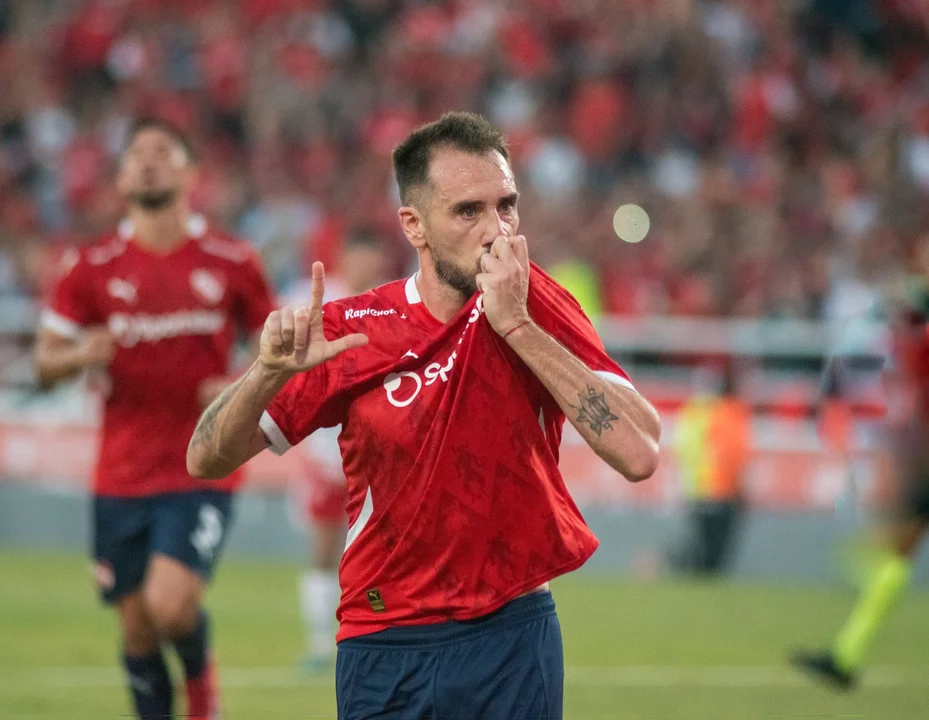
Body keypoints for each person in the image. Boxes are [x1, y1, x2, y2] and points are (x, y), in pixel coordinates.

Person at [186, 111, 661, 719]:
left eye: (507, 206)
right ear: (414, 225)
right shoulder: (353, 329)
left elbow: (639, 452)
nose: (496, 231)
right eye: (468, 211)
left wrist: (517, 325)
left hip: (512, 635)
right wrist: (266, 373)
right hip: (384, 641)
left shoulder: (535, 301)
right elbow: (206, 458)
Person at [35, 117, 274, 719]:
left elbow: (274, 349)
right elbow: (44, 361)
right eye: (136, 154)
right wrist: (79, 355)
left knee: (170, 605)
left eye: (162, 152)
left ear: (192, 174)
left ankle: (203, 698)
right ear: (120, 179)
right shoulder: (91, 266)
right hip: (121, 473)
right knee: (138, 628)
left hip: (202, 464)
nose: (147, 162)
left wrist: (239, 384)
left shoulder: (233, 260)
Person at [792, 256, 929, 690]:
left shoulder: (918, 346)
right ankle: (846, 655)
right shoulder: (915, 347)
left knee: (896, 550)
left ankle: (846, 653)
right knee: (898, 551)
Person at [290, 230, 395, 672]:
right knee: (323, 548)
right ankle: (319, 644)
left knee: (379, 552)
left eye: (373, 258)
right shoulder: (313, 298)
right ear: (344, 258)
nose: (366, 266)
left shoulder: (392, 304)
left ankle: (382, 633)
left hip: (378, 452)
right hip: (325, 452)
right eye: (360, 257)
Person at [671, 365, 751, 575]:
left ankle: (683, 571)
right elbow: (733, 455)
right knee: (714, 550)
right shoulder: (729, 413)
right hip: (720, 487)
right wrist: (740, 486)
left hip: (697, 486)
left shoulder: (695, 411)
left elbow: (683, 448)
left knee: (701, 545)